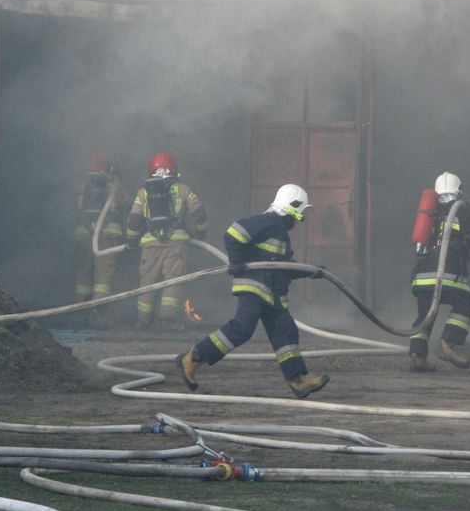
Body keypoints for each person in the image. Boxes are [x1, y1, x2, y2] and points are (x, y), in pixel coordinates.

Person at [175, 184, 330, 398]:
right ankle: (192, 358)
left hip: (273, 295)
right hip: (255, 288)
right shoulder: (269, 222)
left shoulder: (280, 233)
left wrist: (310, 271)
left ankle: (298, 379)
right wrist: (236, 262)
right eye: (301, 212)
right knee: (242, 328)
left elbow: (281, 268)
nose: (300, 219)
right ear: (292, 207)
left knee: (286, 332)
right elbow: (233, 234)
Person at [408, 172, 470, 372]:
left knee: (425, 314)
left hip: (422, 276)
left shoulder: (430, 215)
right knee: (464, 304)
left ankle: (417, 356)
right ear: (459, 191)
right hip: (447, 272)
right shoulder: (461, 210)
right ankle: (449, 343)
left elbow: (456, 239)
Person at [125, 151, 207, 330]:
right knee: (173, 281)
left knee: (147, 282)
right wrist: (201, 235)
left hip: (150, 243)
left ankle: (143, 321)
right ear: (174, 171)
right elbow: (199, 213)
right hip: (176, 243)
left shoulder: (143, 192)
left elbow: (134, 220)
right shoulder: (183, 189)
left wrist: (131, 241)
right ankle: (168, 320)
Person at [74, 149, 125, 305]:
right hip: (107, 235)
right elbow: (125, 202)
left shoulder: (82, 185)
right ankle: (99, 308)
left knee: (83, 272)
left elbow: (75, 205)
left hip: (84, 234)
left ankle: (78, 306)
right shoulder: (113, 184)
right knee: (103, 275)